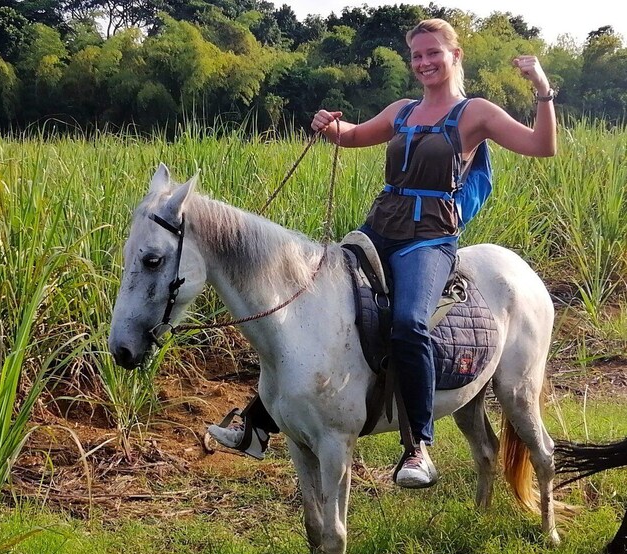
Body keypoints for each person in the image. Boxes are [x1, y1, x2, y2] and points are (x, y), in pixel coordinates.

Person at [208, 18, 556, 488]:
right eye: (417, 55)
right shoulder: (403, 110)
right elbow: (352, 136)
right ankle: (258, 424)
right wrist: (330, 126)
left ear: (455, 56)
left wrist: (541, 89)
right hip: (378, 229)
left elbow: (542, 146)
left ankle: (418, 448)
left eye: (433, 52)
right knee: (312, 309)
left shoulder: (476, 113)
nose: (424, 62)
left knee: (410, 321)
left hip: (428, 240)